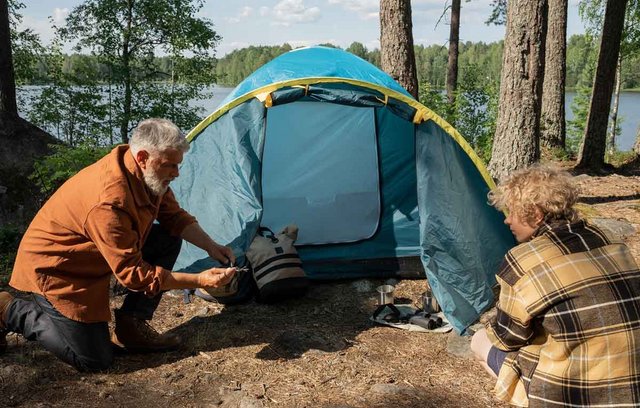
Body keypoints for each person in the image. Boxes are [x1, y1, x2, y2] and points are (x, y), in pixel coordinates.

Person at [0, 118, 237, 372]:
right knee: (93, 360)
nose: (176, 174)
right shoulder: (109, 201)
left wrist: (211, 246)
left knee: (167, 238)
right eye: (170, 165)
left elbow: (174, 217)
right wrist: (199, 281)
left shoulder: (146, 174)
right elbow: (133, 275)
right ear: (144, 157)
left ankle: (131, 326)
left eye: (178, 165)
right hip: (58, 270)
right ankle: (9, 309)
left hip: (94, 258)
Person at [470, 165, 640, 407]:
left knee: (479, 340)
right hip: (631, 385)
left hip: (572, 394)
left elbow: (507, 339)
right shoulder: (609, 238)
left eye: (512, 212)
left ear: (536, 214)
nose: (507, 220)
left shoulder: (523, 260)